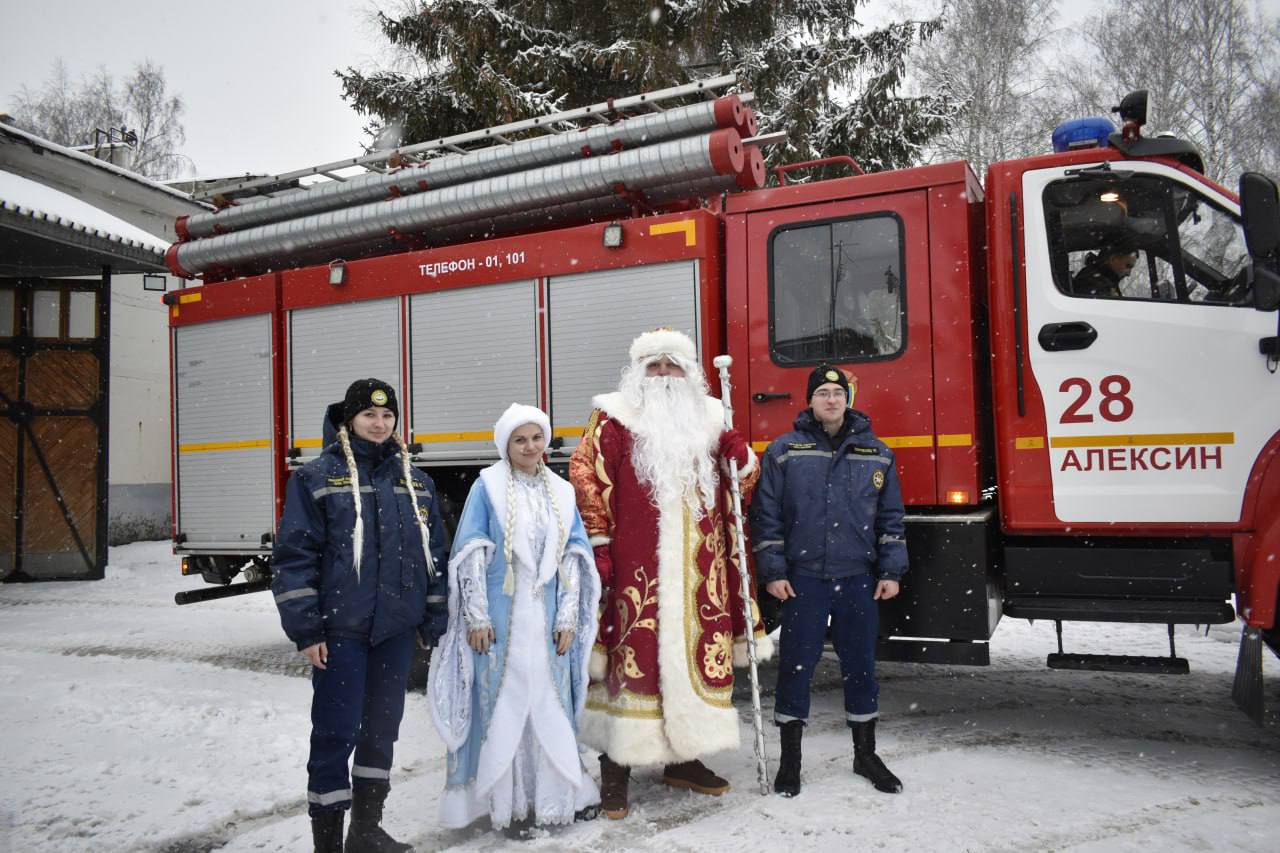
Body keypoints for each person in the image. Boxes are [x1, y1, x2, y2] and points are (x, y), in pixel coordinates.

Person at [568, 328, 773, 819]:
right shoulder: (615, 416)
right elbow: (586, 476)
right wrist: (599, 543)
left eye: (672, 366)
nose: (663, 375)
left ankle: (685, 756)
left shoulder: (710, 418)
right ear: (638, 372)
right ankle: (616, 764)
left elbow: (744, 488)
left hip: (701, 568)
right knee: (628, 656)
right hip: (636, 564)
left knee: (692, 653)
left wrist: (738, 452)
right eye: (654, 366)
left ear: (689, 373)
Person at [272, 378, 450, 853]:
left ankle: (366, 832)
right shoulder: (316, 478)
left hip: (394, 632)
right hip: (340, 632)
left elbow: (433, 554)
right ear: (350, 419)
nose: (380, 423)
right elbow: (294, 558)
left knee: (381, 732)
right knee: (335, 733)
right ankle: (327, 843)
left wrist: (434, 618)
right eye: (370, 415)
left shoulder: (416, 479)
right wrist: (306, 628)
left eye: (388, 415)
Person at [427, 403, 602, 834]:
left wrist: (567, 618)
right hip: (503, 621)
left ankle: (559, 796)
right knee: (504, 705)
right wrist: (477, 616)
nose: (530, 447)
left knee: (549, 704)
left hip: (546, 624)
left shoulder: (561, 491)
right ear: (506, 444)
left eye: (537, 437)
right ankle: (512, 805)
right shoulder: (487, 488)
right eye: (520, 440)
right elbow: (469, 554)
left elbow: (575, 558)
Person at [750, 365, 907, 798]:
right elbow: (767, 518)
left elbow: (891, 517)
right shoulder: (784, 452)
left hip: (858, 577)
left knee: (861, 668)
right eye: (822, 392)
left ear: (848, 400)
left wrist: (891, 570)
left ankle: (865, 755)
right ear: (811, 401)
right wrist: (774, 573)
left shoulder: (877, 453)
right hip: (804, 581)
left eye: (838, 393)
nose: (831, 399)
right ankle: (791, 763)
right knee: (796, 668)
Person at [1072, 246, 1139, 298]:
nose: (1129, 273)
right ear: (1113, 259)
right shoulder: (1091, 282)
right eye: (1128, 266)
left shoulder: (1108, 281)